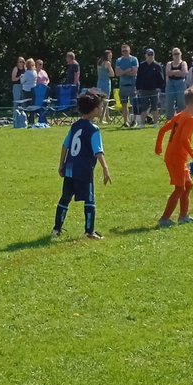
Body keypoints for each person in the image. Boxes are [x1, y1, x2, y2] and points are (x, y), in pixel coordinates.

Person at [53, 91, 111, 240]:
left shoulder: (75, 126)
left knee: (65, 198)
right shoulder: (94, 130)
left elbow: (65, 145)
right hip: (84, 170)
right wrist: (105, 169)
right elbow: (98, 151)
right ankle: (89, 232)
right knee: (89, 199)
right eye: (100, 106)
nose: (102, 109)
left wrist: (61, 165)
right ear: (95, 109)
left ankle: (56, 229)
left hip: (70, 167)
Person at [155, 87, 193, 228]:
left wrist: (158, 146)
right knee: (179, 189)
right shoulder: (190, 119)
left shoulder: (181, 115)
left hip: (174, 156)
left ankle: (183, 217)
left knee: (188, 185)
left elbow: (162, 129)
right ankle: (164, 219)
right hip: (177, 158)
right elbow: (184, 140)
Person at [114, 44, 138, 127]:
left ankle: (134, 121)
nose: (124, 52)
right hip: (123, 85)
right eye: (123, 51)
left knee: (134, 103)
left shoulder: (133, 59)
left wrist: (123, 72)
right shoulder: (119, 60)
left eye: (126, 51)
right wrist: (127, 70)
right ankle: (126, 121)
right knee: (124, 104)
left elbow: (134, 72)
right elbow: (117, 73)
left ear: (129, 50)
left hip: (132, 85)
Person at [164, 48, 189, 119]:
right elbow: (168, 73)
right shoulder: (169, 63)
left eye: (178, 53)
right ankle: (169, 118)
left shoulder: (183, 63)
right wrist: (178, 72)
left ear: (180, 54)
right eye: (175, 54)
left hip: (181, 83)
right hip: (170, 83)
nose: (176, 55)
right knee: (169, 102)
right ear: (172, 55)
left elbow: (184, 73)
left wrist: (173, 73)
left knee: (181, 101)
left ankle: (181, 117)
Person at [96, 50, 113, 122]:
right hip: (106, 83)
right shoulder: (107, 63)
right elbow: (112, 74)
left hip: (99, 83)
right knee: (105, 101)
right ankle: (101, 118)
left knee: (100, 101)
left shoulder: (99, 62)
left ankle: (107, 117)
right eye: (110, 56)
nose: (111, 57)